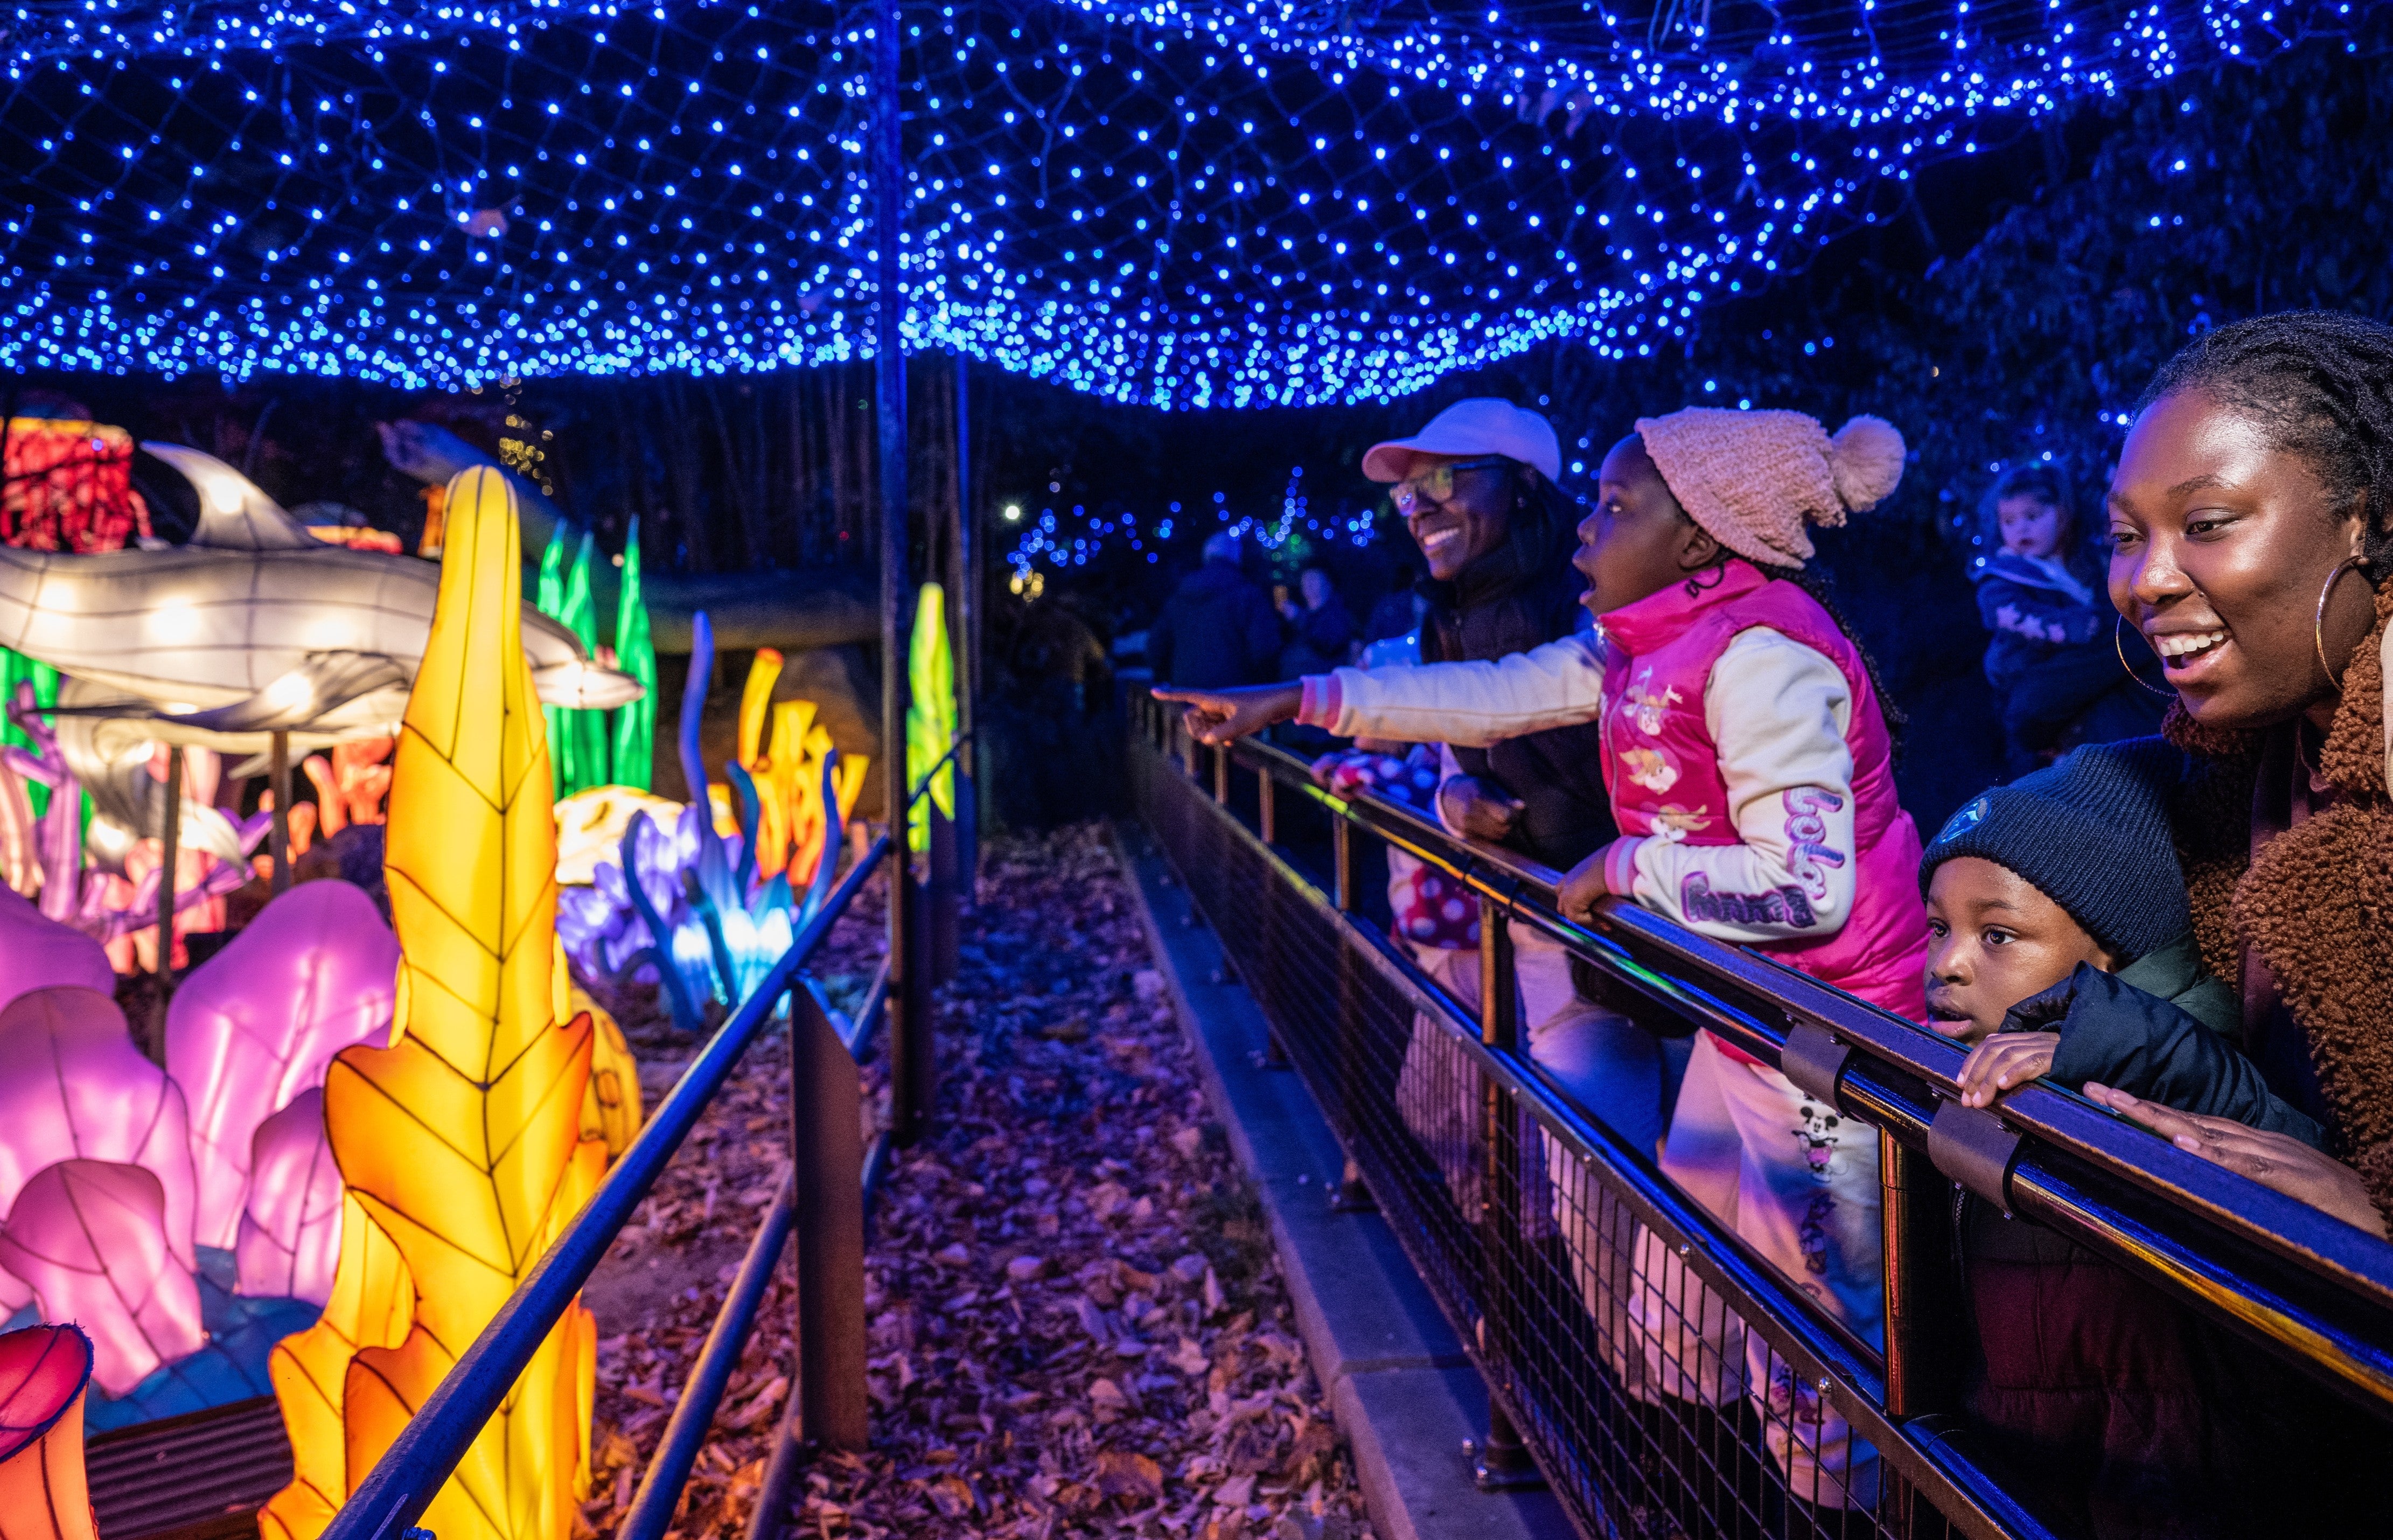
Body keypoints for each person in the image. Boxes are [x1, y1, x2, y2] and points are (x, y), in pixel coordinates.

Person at [1157, 404, 1924, 1513]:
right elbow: (1492, 693)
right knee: (1684, 1294)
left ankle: (1831, 1511)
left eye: (1616, 509)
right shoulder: (1650, 641)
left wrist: (1626, 867)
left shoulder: (1761, 656)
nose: (1584, 531)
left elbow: (1809, 886)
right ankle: (1702, 1490)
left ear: (1701, 537)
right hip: (1747, 1026)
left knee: (1818, 1329)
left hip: (1826, 1046)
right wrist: (1300, 699)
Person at [1921, 740, 2374, 1537]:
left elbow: (2286, 1153)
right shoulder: (1987, 1079)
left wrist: (2128, 1045)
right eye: (1935, 926)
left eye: (1995, 934)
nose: (1947, 962)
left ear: (2114, 952)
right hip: (2038, 1472)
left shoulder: (2183, 1070)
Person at [2066, 310, 2393, 1239]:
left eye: (2204, 523)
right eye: (2125, 535)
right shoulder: (2255, 755)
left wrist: (2372, 1216)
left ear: (2363, 517)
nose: (2144, 582)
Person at [1971, 465, 2164, 775]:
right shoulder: (2006, 575)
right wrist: (2073, 626)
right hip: (2027, 670)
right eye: (2009, 522)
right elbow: (2010, 616)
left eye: (2032, 518)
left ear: (2061, 515)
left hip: (2079, 686)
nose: (2021, 529)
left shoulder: (2086, 566)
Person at [1145, 533, 1280, 689]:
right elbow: (1265, 650)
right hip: (1235, 696)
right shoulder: (1247, 594)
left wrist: (1173, 676)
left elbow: (1155, 648)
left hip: (1187, 693)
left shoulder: (1179, 597)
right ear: (1237, 556)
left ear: (1206, 555)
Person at [1277, 566, 1358, 677]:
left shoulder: (1337, 614)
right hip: (1295, 684)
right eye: (1305, 579)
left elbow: (1330, 645)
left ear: (1328, 583)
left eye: (1313, 578)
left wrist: (1299, 618)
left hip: (1322, 685)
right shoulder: (1304, 613)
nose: (1308, 583)